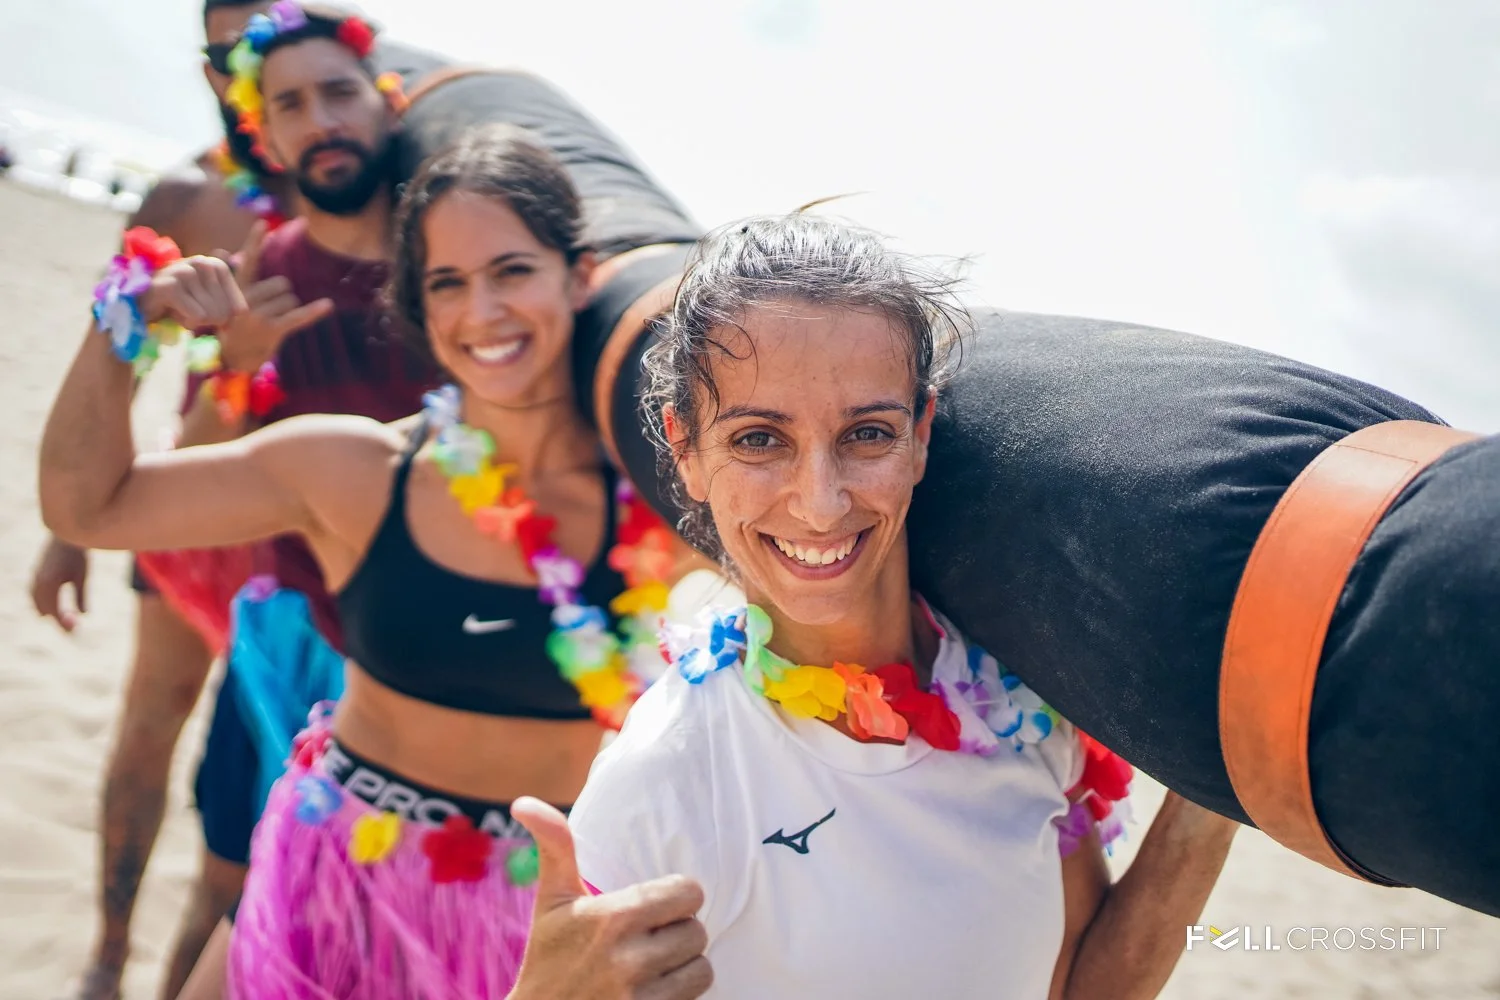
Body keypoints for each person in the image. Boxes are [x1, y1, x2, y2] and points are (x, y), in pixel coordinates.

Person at [40, 110, 688, 997]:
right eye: (447, 282)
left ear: (577, 277)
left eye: (512, 270)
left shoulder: (666, 499)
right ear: (418, 304)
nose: (482, 311)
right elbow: (89, 504)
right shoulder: (354, 470)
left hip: (535, 927)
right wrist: (125, 323)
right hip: (329, 879)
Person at [567, 213, 1241, 998]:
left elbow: (1079, 989)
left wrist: (1219, 782)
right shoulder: (664, 781)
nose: (820, 502)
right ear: (686, 449)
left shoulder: (1021, 700)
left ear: (920, 434)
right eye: (758, 440)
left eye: (867, 434)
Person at [29, 4, 295, 997]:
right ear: (206, 64)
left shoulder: (372, 192)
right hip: (189, 501)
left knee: (259, 778)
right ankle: (106, 955)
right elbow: (114, 356)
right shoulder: (186, 195)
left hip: (306, 540)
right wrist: (70, 534)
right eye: (229, 51)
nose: (246, 69)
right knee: (149, 724)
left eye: (268, 41)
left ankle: (184, 973)